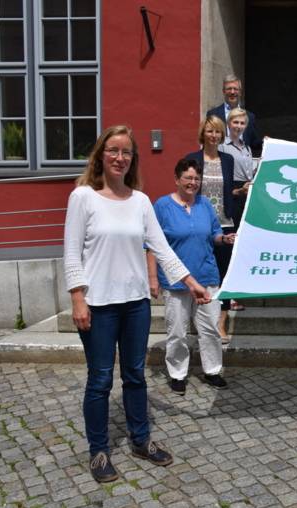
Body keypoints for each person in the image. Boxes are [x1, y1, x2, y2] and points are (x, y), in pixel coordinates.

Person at [63, 126, 211, 483]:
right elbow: (70, 252)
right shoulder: (83, 197)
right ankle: (99, 451)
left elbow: (162, 248)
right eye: (113, 150)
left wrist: (191, 283)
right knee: (99, 381)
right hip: (98, 305)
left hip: (135, 304)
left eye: (126, 152)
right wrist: (78, 298)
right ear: (101, 155)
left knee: (134, 376)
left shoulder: (141, 201)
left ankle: (141, 439)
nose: (119, 158)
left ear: (133, 160)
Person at [147, 159, 236, 396]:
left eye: (197, 179)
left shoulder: (205, 204)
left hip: (207, 276)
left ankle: (213, 370)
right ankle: (177, 373)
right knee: (177, 330)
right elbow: (152, 245)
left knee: (210, 329)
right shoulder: (162, 206)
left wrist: (223, 239)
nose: (193, 183)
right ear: (177, 179)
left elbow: (215, 232)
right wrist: (153, 277)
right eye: (188, 178)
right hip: (175, 282)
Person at [186, 115, 242, 329]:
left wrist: (240, 190)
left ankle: (221, 323)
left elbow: (228, 190)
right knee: (198, 269)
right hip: (199, 223)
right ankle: (197, 319)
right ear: (203, 133)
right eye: (210, 131)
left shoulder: (228, 160)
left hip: (224, 222)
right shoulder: (193, 159)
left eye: (218, 131)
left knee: (224, 272)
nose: (214, 135)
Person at [207, 74, 263, 156]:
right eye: (229, 89)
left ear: (240, 92)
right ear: (223, 91)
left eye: (235, 89)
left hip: (242, 161)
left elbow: (254, 143)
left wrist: (267, 143)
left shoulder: (250, 116)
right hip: (220, 160)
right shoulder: (213, 114)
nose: (232, 92)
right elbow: (208, 140)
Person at [221, 107, 257, 229]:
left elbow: (249, 172)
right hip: (233, 192)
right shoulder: (222, 146)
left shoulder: (247, 147)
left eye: (242, 123)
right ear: (228, 123)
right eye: (235, 122)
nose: (239, 126)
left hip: (248, 193)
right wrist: (238, 190)